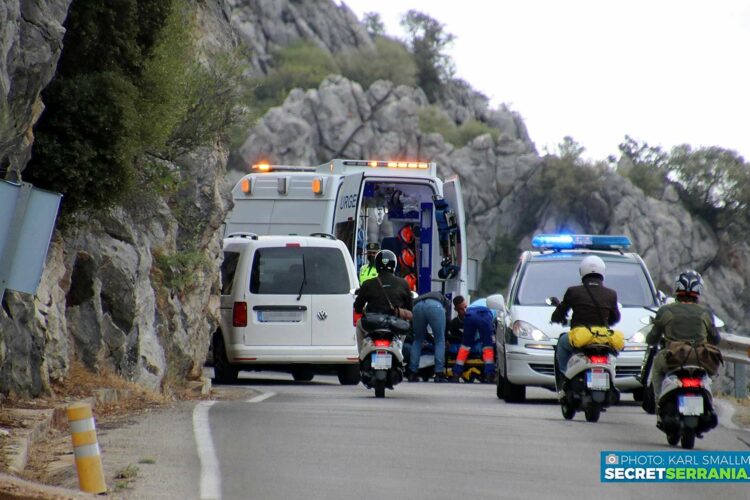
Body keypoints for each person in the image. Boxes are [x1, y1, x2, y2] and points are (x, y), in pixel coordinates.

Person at [647, 270, 720, 403]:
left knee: (657, 364)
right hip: (700, 358)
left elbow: (652, 339)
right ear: (699, 289)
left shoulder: (665, 311)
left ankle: (658, 403)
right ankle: (709, 398)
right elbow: (715, 339)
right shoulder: (706, 312)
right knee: (709, 376)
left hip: (674, 358)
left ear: (677, 287)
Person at [551, 255, 620, 389]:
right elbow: (615, 318)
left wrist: (556, 318)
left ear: (582, 271)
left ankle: (564, 379)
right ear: (602, 272)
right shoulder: (611, 294)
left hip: (580, 338)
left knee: (562, 343)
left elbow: (560, 313)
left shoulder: (573, 291)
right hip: (602, 338)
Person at [353, 250, 413, 354]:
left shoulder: (368, 284)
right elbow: (410, 308)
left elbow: (357, 307)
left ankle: (362, 354)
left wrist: (362, 310)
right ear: (394, 265)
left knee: (359, 324)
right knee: (404, 329)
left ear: (376, 265)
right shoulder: (403, 283)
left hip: (372, 323)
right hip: (395, 325)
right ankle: (400, 350)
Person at [450, 296, 496, 383]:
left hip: (470, 314)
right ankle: (489, 374)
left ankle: (456, 373)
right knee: (487, 347)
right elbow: (494, 327)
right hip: (485, 314)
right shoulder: (497, 308)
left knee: (465, 346)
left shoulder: (476, 302)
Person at [407, 291, 451, 383]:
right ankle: (439, 374)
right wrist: (447, 338)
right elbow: (447, 320)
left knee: (417, 340)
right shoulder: (444, 300)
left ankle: (412, 373)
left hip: (418, 306)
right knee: (440, 340)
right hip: (435, 307)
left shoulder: (422, 296)